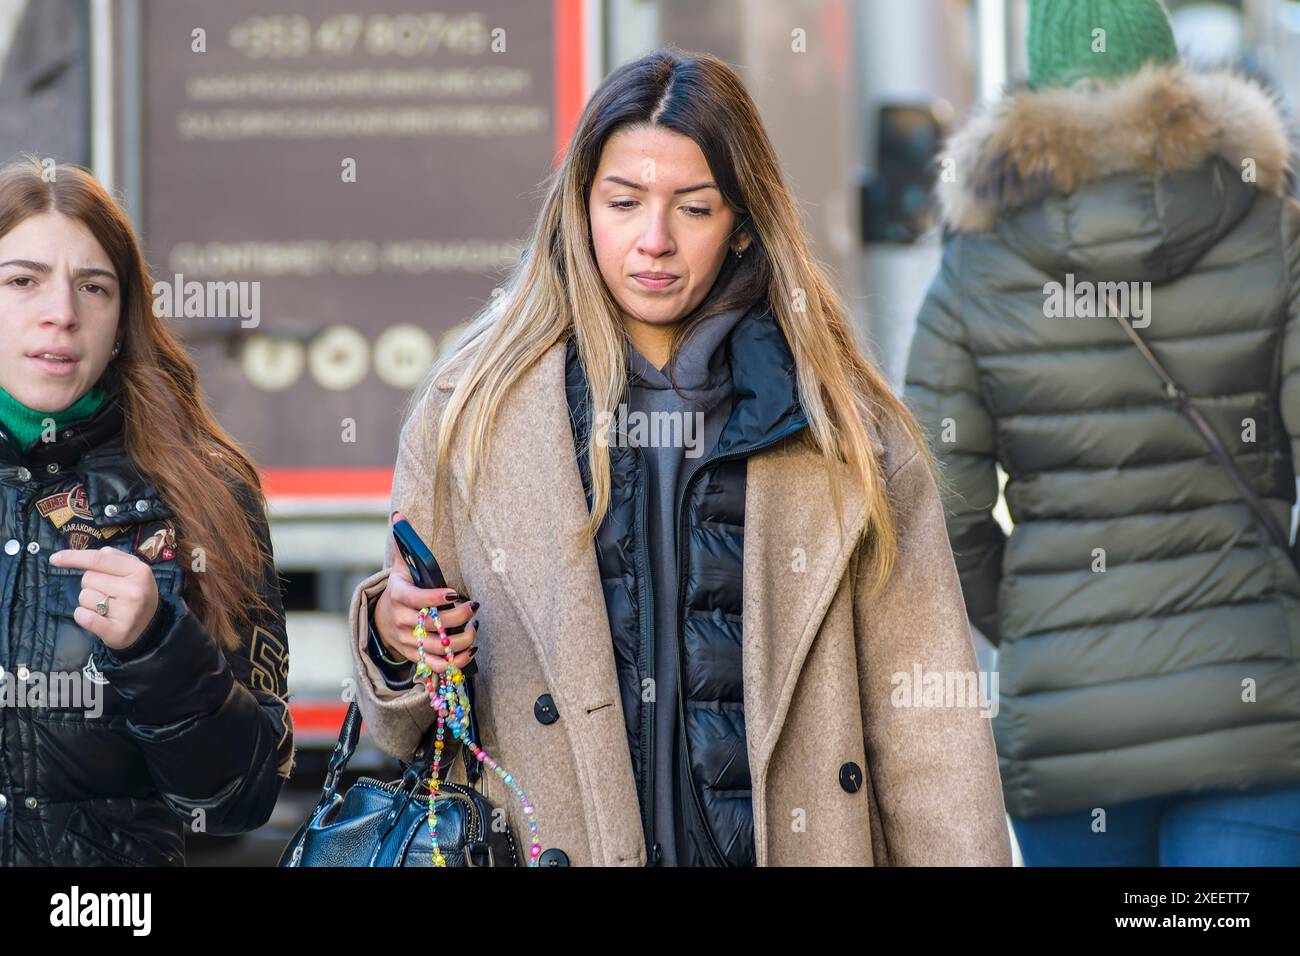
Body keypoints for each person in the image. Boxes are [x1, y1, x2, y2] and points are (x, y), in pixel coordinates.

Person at [350, 48, 1010, 867]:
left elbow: (930, 736)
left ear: (741, 223)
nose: (654, 241)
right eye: (623, 202)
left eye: (693, 209)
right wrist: (393, 635)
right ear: (580, 211)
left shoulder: (847, 428)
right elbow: (403, 723)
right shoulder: (471, 416)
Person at [905, 0, 1300, 865]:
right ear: (1176, 83)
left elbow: (940, 501)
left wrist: (1038, 617)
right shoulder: (1273, 227)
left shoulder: (977, 261)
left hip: (1067, 717)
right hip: (1252, 708)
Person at [0, 158, 293, 866]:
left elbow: (238, 801)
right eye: (22, 280)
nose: (61, 313)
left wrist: (158, 646)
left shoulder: (205, 489)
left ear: (123, 316)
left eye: (93, 287)